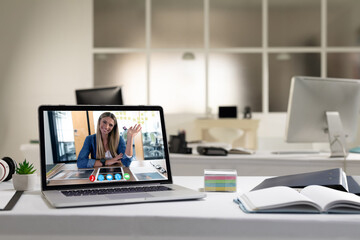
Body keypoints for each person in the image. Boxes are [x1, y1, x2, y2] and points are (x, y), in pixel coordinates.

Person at [77, 112, 142, 168]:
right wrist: (107, 162)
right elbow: (81, 162)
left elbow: (126, 162)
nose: (106, 127)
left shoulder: (119, 139)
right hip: (98, 174)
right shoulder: (90, 139)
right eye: (104, 122)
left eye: (110, 125)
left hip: (116, 174)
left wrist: (130, 138)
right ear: (99, 121)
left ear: (113, 127)